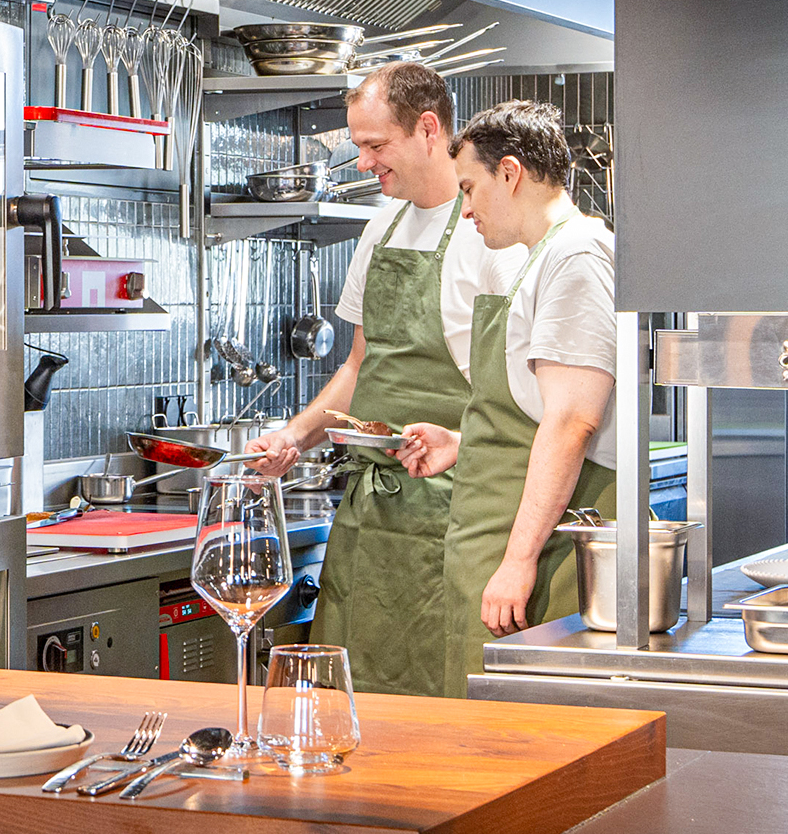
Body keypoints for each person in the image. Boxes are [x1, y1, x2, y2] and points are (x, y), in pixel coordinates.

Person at [245, 63, 517, 698]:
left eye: (374, 146)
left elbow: (513, 398)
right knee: (356, 700)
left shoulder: (492, 237)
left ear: (428, 130)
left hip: (455, 513)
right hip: (371, 516)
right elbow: (358, 366)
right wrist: (294, 437)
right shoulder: (381, 227)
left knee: (445, 705)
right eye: (358, 146)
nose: (364, 164)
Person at [395, 100, 618, 695]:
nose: (465, 209)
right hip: (503, 544)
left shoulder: (576, 258)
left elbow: (572, 422)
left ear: (511, 173)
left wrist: (519, 561)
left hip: (547, 559)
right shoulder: (539, 258)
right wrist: (464, 444)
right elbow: (536, 414)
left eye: (470, 188)